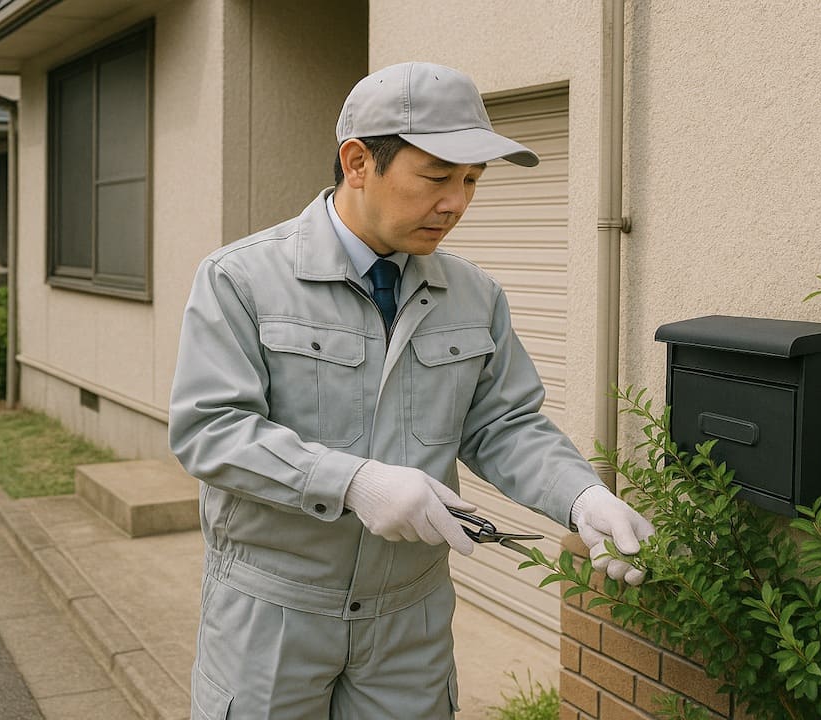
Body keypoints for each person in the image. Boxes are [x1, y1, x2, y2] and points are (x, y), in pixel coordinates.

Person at [169, 61, 654, 719]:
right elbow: (210, 429)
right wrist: (352, 482)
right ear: (358, 161)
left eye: (472, 181)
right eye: (436, 177)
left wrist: (582, 496)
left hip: (409, 620)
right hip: (273, 616)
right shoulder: (243, 280)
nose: (455, 202)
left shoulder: (475, 295)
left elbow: (502, 425)